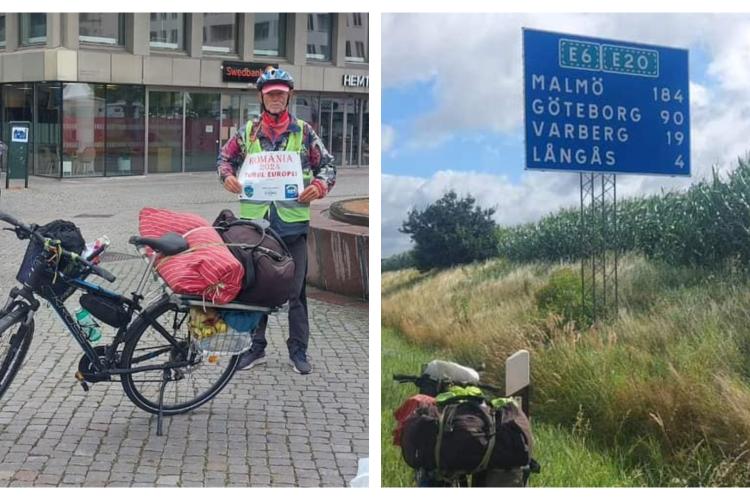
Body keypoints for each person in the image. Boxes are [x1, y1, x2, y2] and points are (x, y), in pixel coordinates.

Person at [216, 68, 335, 374]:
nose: (276, 98)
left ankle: (298, 351)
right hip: (255, 226)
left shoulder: (303, 132)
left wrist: (319, 186)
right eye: (271, 94)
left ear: (289, 96)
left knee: (295, 291)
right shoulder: (248, 132)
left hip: (292, 223)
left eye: (281, 93)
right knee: (257, 287)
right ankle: (256, 349)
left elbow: (328, 165)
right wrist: (227, 176)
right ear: (262, 97)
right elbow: (224, 159)